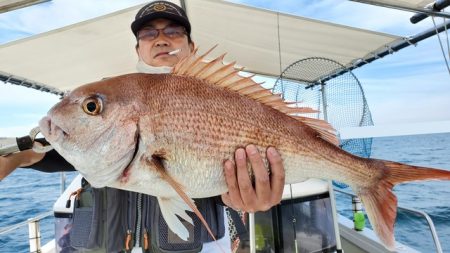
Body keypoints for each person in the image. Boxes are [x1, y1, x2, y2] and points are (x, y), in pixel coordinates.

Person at [0, 1, 285, 252]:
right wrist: (21, 158)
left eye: (173, 30)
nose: (161, 39)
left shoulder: (223, 96)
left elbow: (219, 177)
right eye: (149, 33)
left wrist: (244, 198)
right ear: (138, 48)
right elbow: (76, 152)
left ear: (191, 46)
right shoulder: (117, 96)